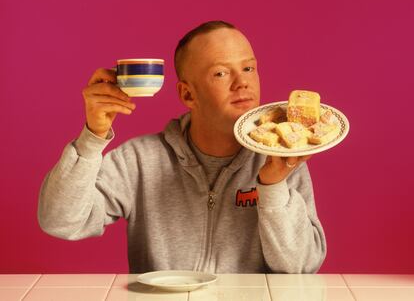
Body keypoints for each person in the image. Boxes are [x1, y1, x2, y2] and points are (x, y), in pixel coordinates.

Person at [38, 20, 326, 273]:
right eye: (221, 74)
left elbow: (302, 267)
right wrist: (92, 138)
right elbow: (60, 222)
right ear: (188, 94)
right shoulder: (139, 160)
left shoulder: (281, 160)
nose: (242, 83)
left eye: (248, 68)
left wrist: (273, 186)